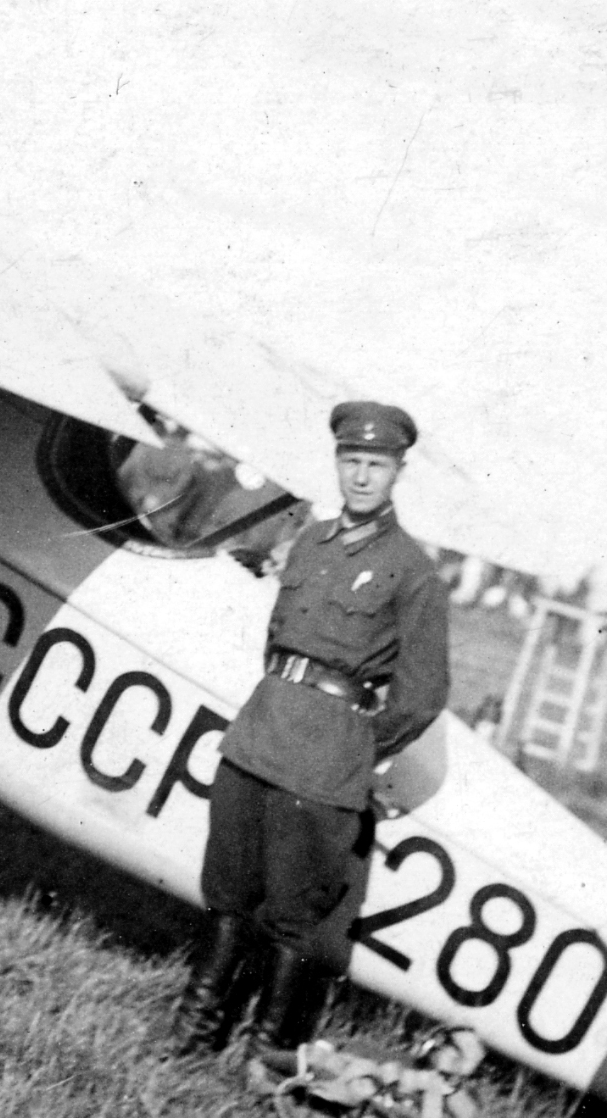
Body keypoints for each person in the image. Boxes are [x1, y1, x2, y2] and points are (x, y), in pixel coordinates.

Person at [172, 401, 452, 1070]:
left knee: (293, 918)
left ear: (399, 471)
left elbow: (421, 695)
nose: (362, 476)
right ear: (337, 463)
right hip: (257, 737)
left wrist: (354, 745)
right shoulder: (310, 541)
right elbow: (278, 641)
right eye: (351, 460)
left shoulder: (413, 572)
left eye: (376, 464)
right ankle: (194, 1036)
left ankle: (268, 1057)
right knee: (227, 895)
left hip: (324, 762)